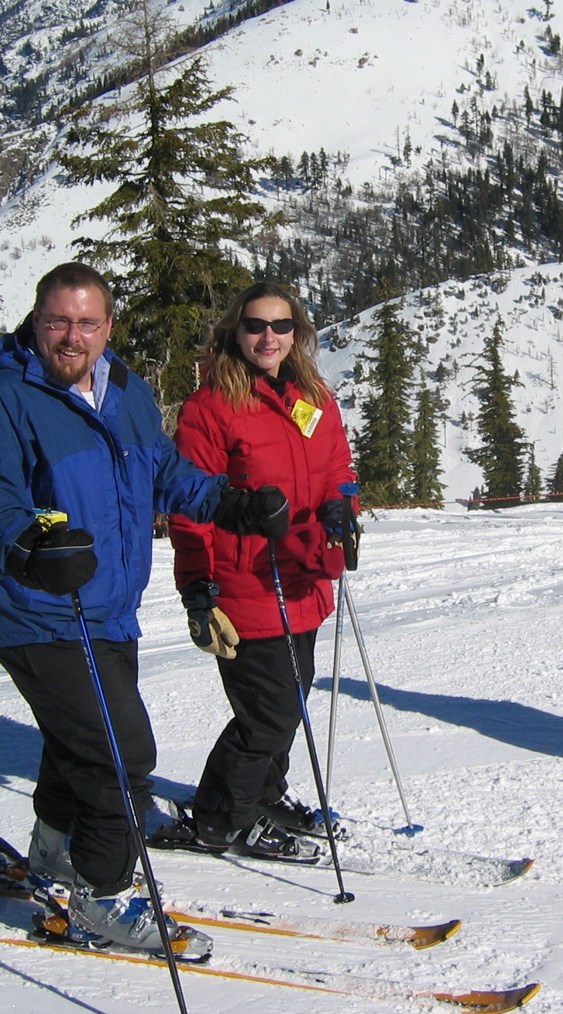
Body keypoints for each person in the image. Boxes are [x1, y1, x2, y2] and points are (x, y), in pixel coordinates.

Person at [0, 262, 288, 953]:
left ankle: (52, 854)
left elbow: (164, 473)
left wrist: (229, 502)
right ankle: (101, 899)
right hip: (36, 607)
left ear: (108, 327)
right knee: (119, 754)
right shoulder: (3, 399)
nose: (70, 336)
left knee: (77, 738)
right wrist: (32, 545)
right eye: (57, 321)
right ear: (36, 322)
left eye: (86, 323)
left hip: (109, 606)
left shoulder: (127, 393)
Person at [159, 282, 358, 860]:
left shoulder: (314, 395)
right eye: (255, 325)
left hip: (305, 574)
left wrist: (344, 504)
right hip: (244, 583)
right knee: (266, 713)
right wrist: (198, 587)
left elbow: (337, 465)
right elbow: (189, 505)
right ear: (235, 331)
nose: (267, 337)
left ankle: (264, 794)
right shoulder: (211, 407)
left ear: (297, 333)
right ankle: (221, 817)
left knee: (288, 702)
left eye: (281, 326)